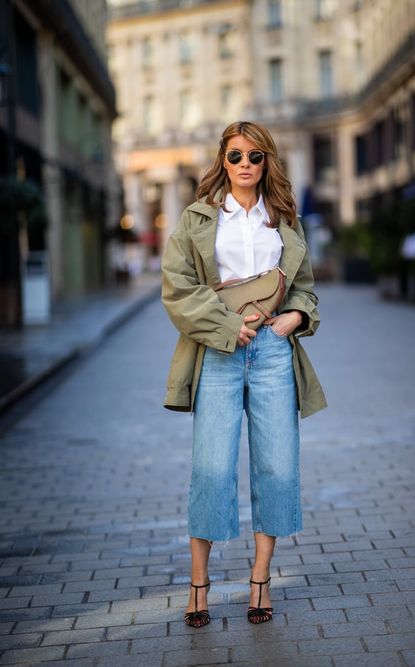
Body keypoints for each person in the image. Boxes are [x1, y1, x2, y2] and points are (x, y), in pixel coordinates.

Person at [161, 120, 327, 629]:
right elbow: (178, 288)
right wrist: (230, 326)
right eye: (236, 156)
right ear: (223, 161)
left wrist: (294, 319)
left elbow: (303, 287)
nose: (246, 166)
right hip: (218, 353)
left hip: (275, 353)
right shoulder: (199, 218)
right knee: (211, 468)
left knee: (277, 467)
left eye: (256, 157)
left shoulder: (284, 220)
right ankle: (199, 584)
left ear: (267, 161)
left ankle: (259, 581)